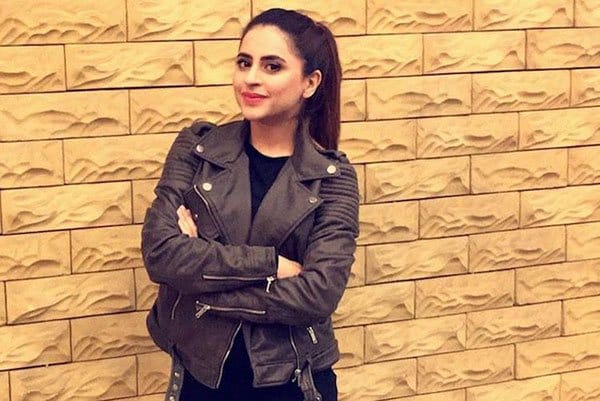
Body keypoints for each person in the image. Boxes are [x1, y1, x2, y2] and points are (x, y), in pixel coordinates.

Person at [141, 8, 360, 401]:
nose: (251, 78)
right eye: (244, 63)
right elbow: (160, 253)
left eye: (272, 66)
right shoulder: (197, 149)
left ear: (310, 83)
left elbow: (318, 294)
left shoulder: (332, 178)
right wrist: (272, 265)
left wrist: (202, 287)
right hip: (201, 378)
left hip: (293, 382)